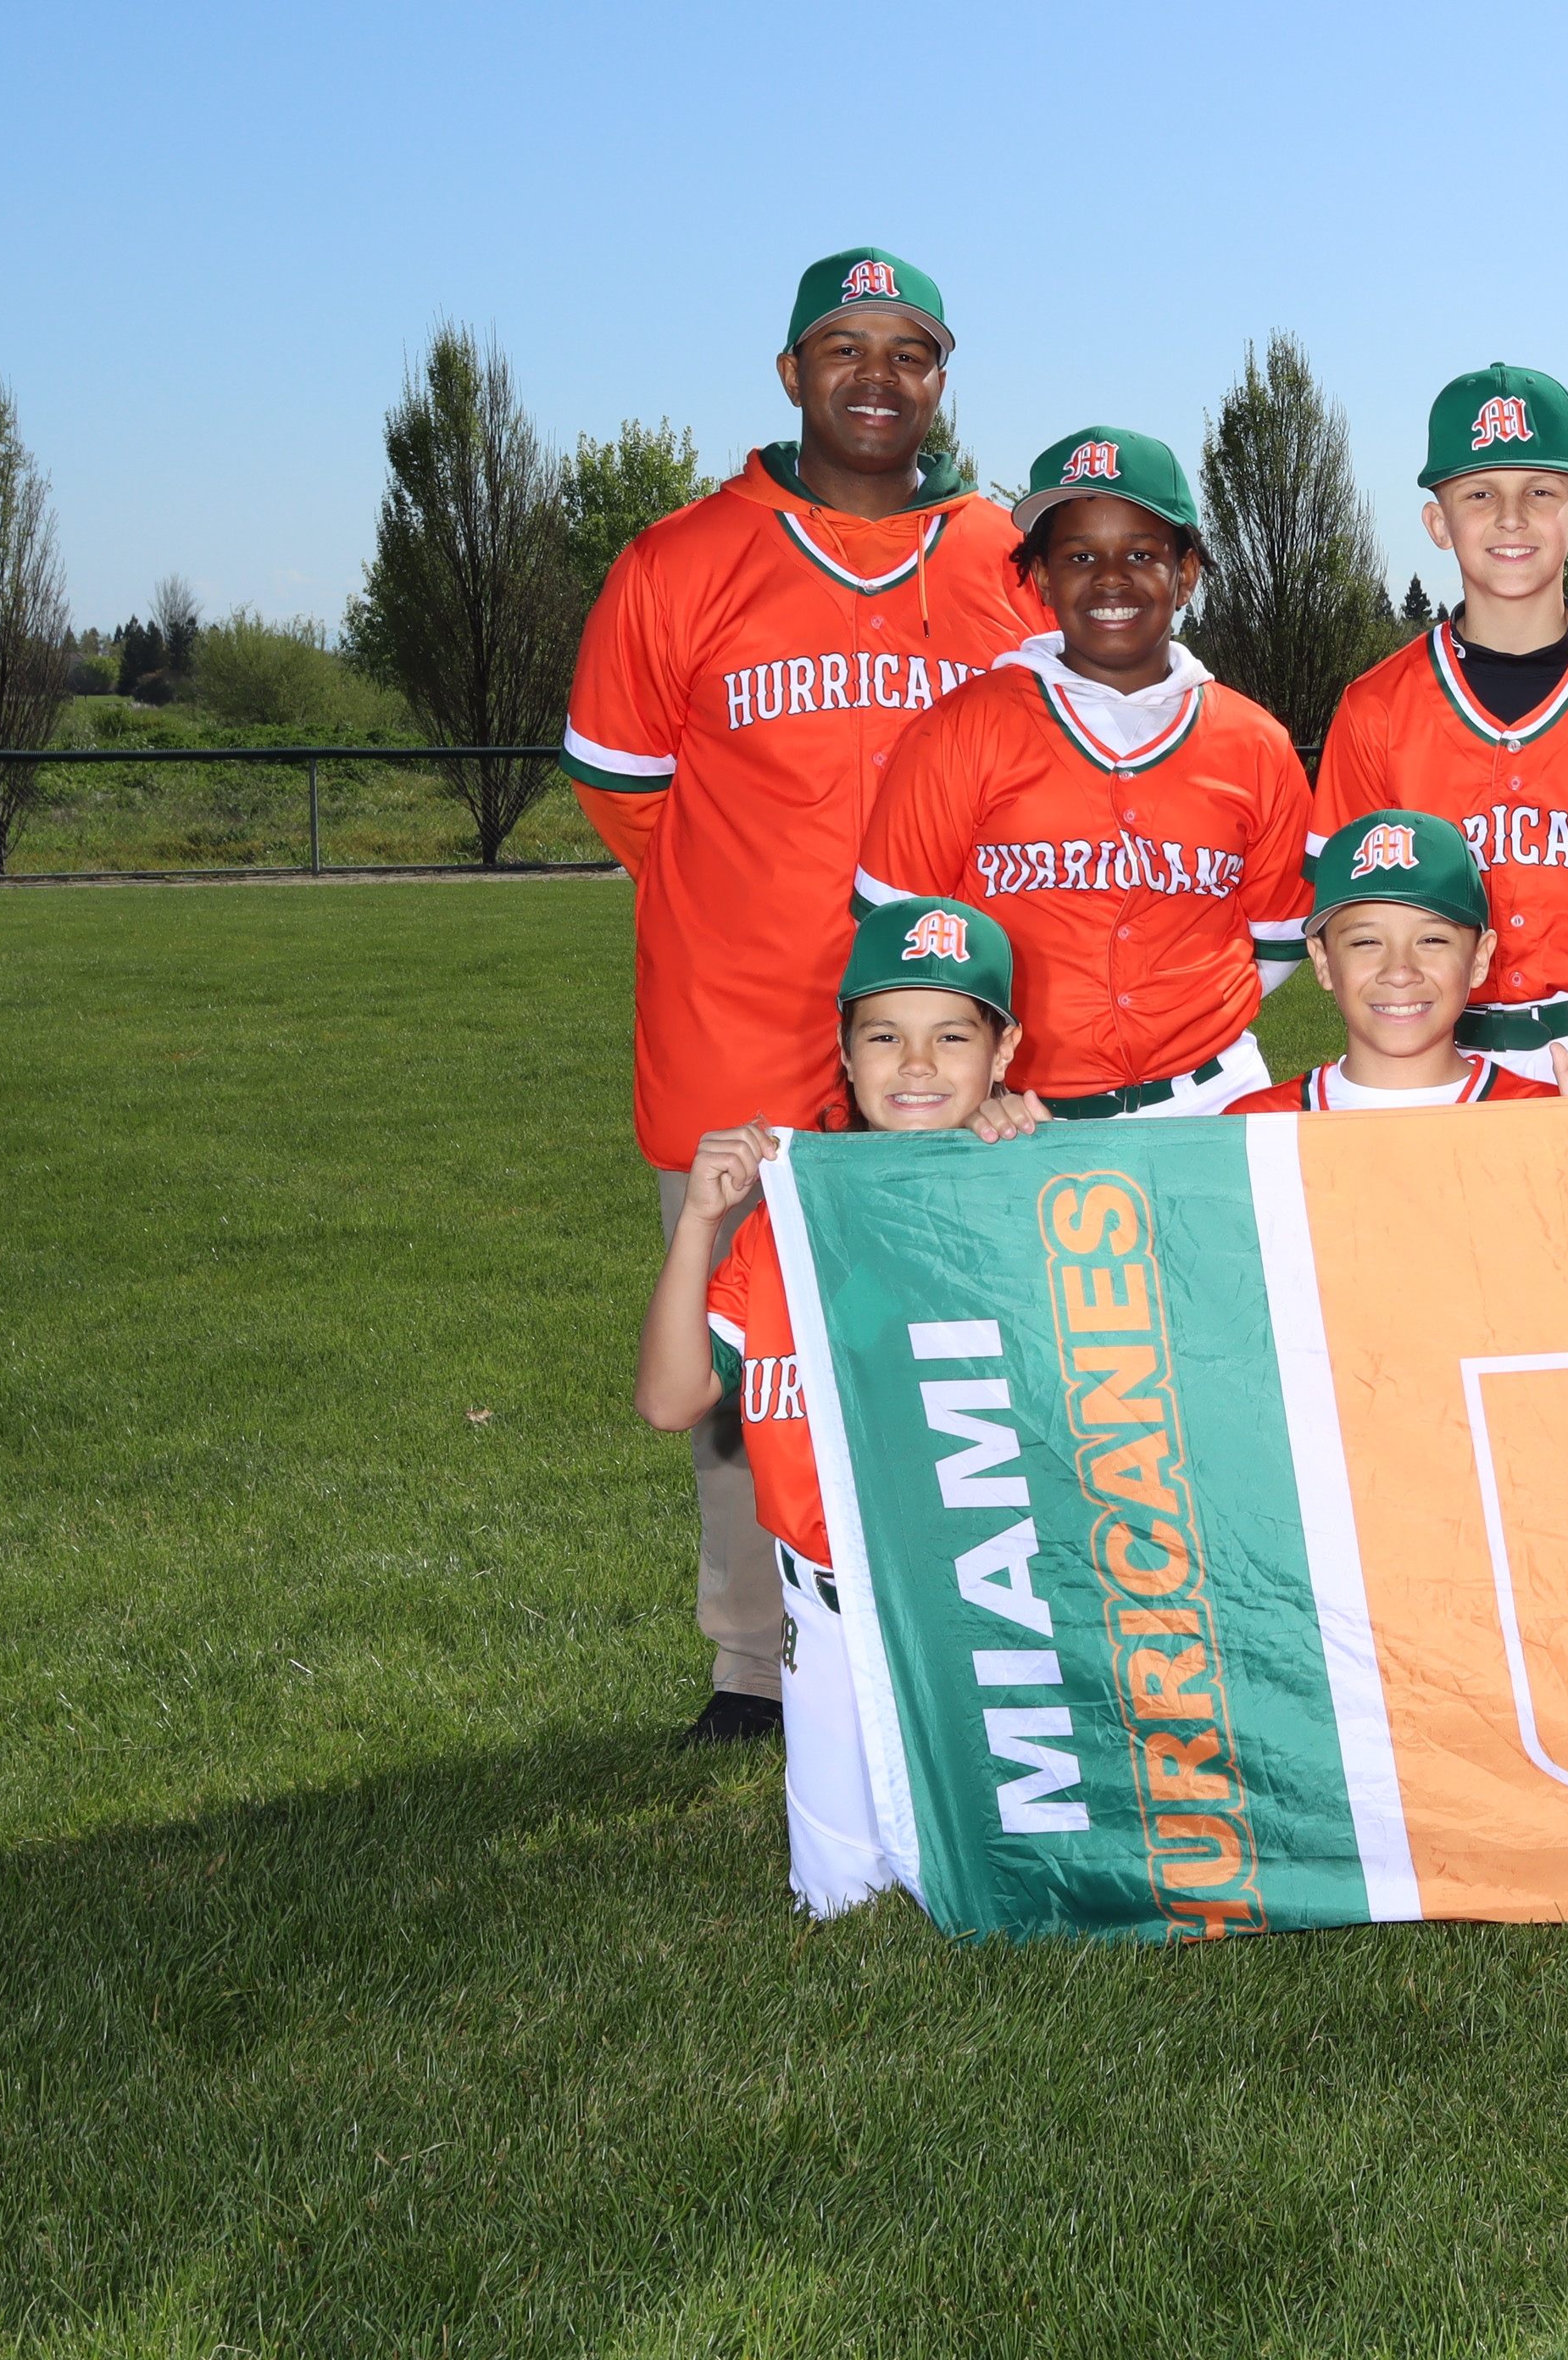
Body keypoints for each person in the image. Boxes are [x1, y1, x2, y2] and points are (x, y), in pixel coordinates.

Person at [564, 246, 1042, 1745]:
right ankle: (754, 1663)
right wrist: (747, 907)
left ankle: (963, 1629)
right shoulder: (677, 561)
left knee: (969, 1334)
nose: (876, 378)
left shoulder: (1005, 558)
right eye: (845, 348)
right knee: (739, 1351)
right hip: (741, 1021)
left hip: (947, 1032)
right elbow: (626, 794)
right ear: (790, 373)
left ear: (941, 379)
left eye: (910, 351)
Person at [634, 893, 1047, 1915]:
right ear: (845, 1053)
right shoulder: (789, 1214)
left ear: (1004, 1052)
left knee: (1022, 1886)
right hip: (827, 1611)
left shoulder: (1031, 1185)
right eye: (885, 1034)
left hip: (989, 1608)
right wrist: (700, 1221)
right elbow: (671, 1400)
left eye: (953, 1034)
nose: (918, 1063)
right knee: (842, 1899)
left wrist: (1046, 1154)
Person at [854, 426, 1310, 1119]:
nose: (1111, 577)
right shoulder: (957, 730)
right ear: (1042, 578)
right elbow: (898, 939)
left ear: (1186, 573)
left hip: (1216, 1100)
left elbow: (1274, 943)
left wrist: (1181, 1024)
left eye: (1142, 553)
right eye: (1079, 556)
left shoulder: (1255, 742)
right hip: (1018, 1112)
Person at [1310, 365, 1568, 1094]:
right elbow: (1349, 925)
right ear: (1439, 523)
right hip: (1429, 1052)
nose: (1510, 517)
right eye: (1479, 493)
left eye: (1540, 491)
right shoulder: (1375, 708)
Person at [1224, 808, 1568, 1117]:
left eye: (1432, 939)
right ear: (1322, 960)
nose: (1400, 970)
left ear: (1479, 959)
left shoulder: (1546, 1117)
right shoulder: (1255, 1125)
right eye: (1366, 942)